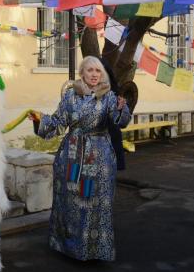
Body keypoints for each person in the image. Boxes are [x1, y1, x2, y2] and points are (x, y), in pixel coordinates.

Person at [28, 56, 131, 261]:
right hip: (72, 156)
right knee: (71, 201)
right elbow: (58, 123)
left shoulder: (109, 97)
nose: (94, 74)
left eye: (98, 71)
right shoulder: (70, 97)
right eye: (90, 70)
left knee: (95, 202)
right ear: (82, 73)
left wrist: (122, 109)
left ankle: (95, 249)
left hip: (99, 158)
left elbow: (121, 122)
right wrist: (40, 119)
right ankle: (68, 246)